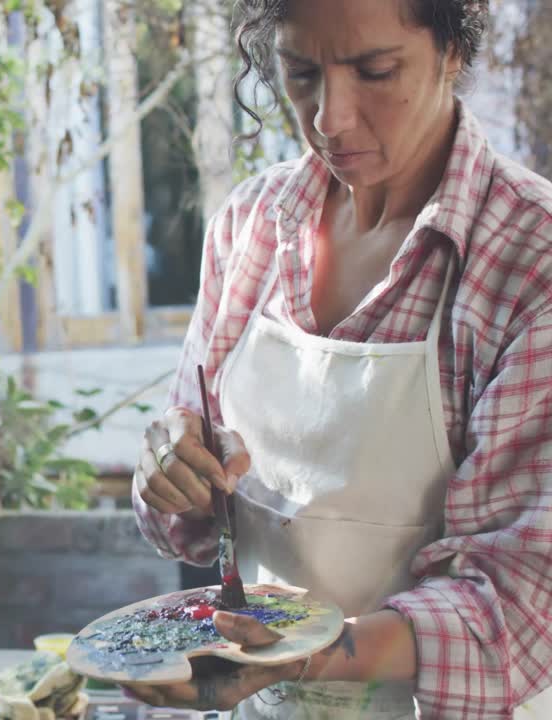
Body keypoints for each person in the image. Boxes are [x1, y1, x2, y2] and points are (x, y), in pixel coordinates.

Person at [128, 0, 552, 717]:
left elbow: (523, 602)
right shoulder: (250, 229)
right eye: (300, 74)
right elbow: (190, 515)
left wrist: (309, 655)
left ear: (452, 50)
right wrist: (172, 470)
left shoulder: (526, 262)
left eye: (375, 70)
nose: (331, 118)